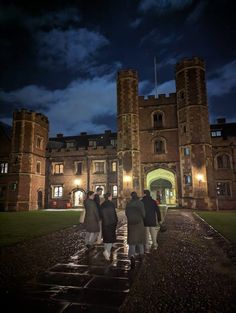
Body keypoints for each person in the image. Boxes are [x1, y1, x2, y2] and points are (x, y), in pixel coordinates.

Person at [125, 191, 145, 268]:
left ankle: (132, 256)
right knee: (140, 240)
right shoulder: (140, 203)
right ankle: (141, 254)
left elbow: (126, 213)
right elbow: (143, 214)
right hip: (139, 223)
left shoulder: (129, 203)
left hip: (131, 224)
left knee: (132, 241)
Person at [100, 192, 118, 260]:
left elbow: (101, 215)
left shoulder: (103, 204)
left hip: (104, 223)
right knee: (110, 239)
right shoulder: (111, 204)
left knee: (106, 239)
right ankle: (107, 252)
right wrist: (115, 221)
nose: (111, 197)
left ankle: (107, 252)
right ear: (109, 197)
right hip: (111, 223)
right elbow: (113, 214)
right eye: (111, 196)